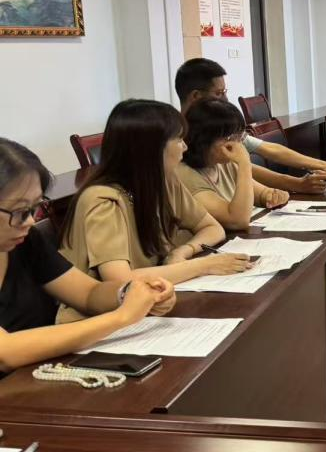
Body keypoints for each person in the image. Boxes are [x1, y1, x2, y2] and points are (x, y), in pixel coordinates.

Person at [59, 100, 252, 322]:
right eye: (178, 139)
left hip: (150, 305)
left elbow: (212, 227)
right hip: (99, 320)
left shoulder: (164, 181)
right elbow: (120, 281)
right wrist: (205, 265)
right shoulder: (102, 201)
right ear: (151, 148)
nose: (185, 147)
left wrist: (183, 251)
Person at [0, 138, 176, 374]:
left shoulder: (25, 241)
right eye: (21, 212)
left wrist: (131, 292)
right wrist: (122, 317)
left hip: (42, 375)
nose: (30, 221)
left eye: (35, 208)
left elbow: (87, 293)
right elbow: (6, 352)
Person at [174, 59, 326, 194]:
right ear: (196, 96)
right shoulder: (175, 137)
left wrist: (320, 165)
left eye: (225, 92)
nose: (226, 99)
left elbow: (267, 150)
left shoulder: (219, 126)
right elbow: (241, 168)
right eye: (219, 93)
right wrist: (296, 183)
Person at [177, 99, 289, 230]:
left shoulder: (223, 163)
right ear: (203, 141)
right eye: (230, 138)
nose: (238, 144)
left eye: (239, 136)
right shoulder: (185, 175)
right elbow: (237, 221)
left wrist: (273, 195)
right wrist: (244, 163)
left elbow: (261, 193)